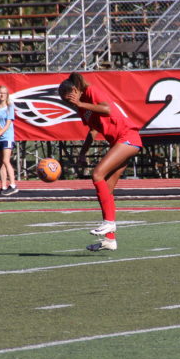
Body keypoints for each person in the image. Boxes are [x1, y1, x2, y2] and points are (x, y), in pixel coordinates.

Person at [57, 72, 142, 252]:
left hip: (128, 137)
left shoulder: (91, 91)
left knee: (97, 174)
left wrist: (80, 103)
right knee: (107, 188)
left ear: (76, 90)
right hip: (120, 141)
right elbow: (93, 131)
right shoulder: (81, 108)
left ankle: (109, 223)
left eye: (70, 97)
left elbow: (107, 109)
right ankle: (110, 240)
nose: (69, 102)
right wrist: (83, 153)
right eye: (66, 101)